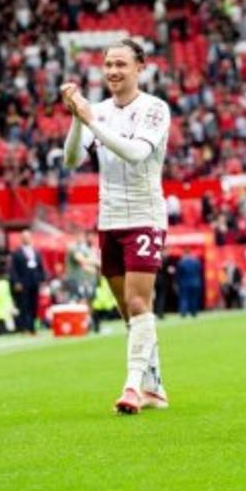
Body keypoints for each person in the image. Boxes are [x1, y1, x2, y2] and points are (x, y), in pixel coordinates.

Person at [62, 37, 173, 414]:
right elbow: (71, 159)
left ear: (140, 67)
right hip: (108, 218)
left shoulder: (154, 109)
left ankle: (131, 388)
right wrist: (79, 120)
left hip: (144, 214)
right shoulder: (100, 111)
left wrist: (91, 118)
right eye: (108, 64)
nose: (113, 71)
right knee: (131, 314)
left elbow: (136, 153)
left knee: (139, 301)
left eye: (121, 64)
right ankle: (155, 388)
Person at [8, 231, 45, 335]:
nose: (26, 239)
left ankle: (32, 327)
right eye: (24, 237)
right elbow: (13, 270)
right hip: (23, 282)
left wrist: (42, 279)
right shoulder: (17, 253)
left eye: (28, 237)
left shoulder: (36, 251)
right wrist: (16, 282)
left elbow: (40, 266)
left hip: (34, 281)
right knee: (24, 306)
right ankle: (24, 328)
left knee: (34, 305)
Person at [177, 249, 203, 317]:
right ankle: (194, 312)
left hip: (185, 283)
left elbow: (179, 275)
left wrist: (177, 283)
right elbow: (200, 271)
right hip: (196, 282)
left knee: (184, 298)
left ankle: (183, 312)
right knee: (194, 298)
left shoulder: (181, 263)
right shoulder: (196, 262)